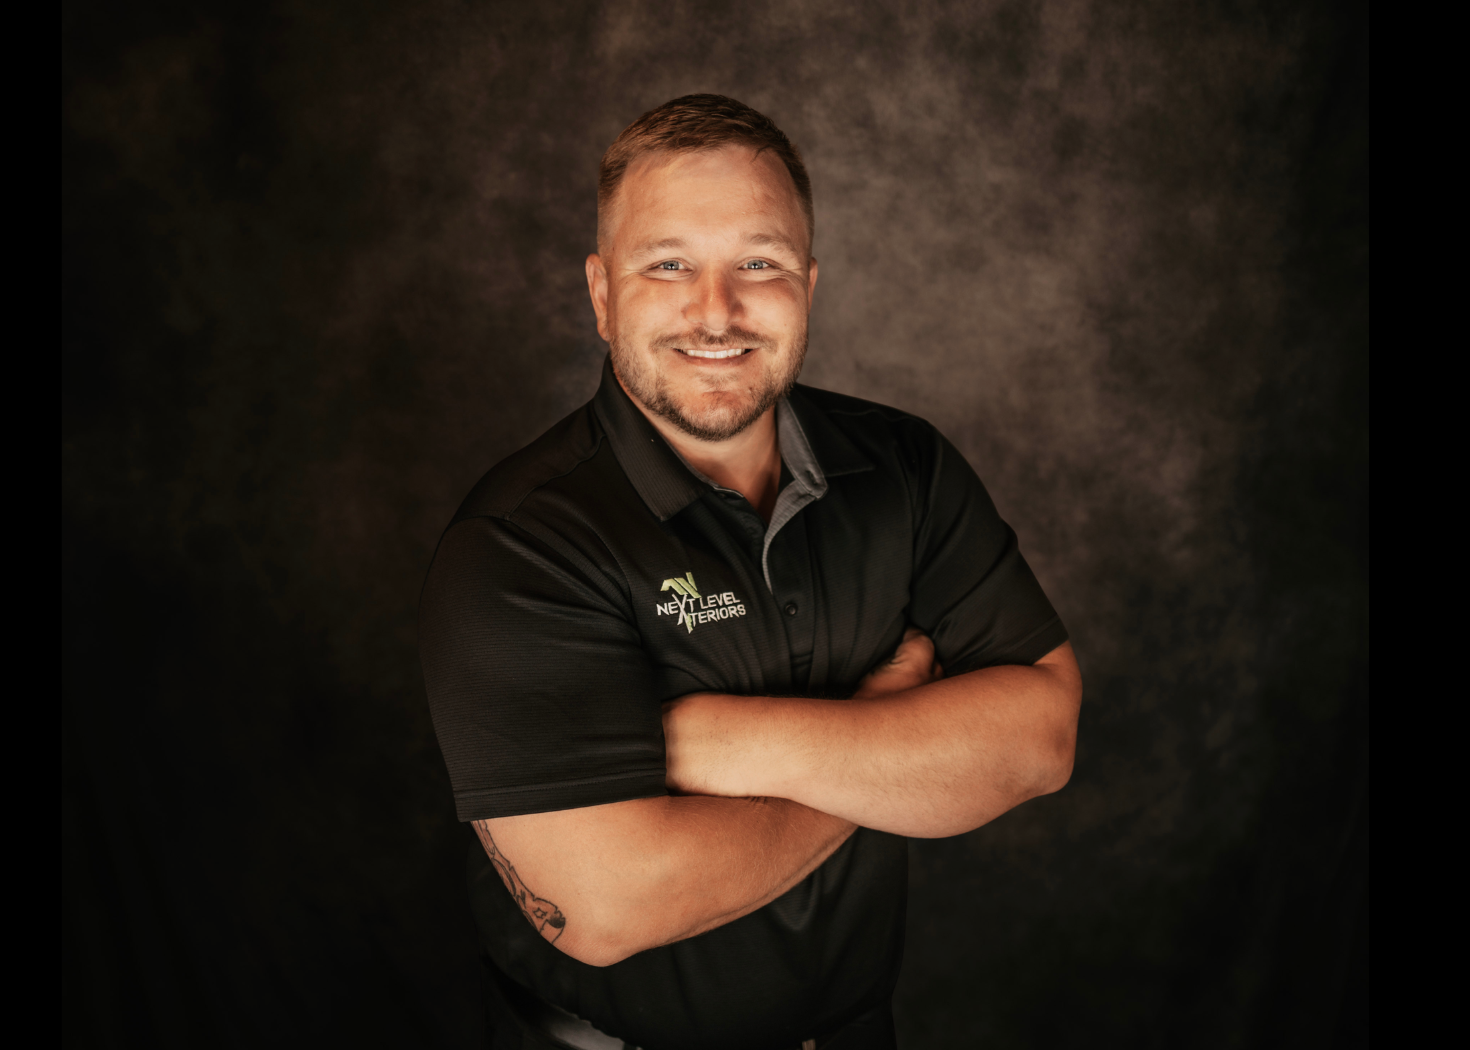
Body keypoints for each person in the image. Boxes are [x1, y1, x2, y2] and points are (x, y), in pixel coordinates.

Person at [420, 94, 1081, 1050]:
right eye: (669, 264)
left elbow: (1041, 740)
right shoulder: (519, 542)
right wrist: (886, 745)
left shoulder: (903, 467)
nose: (715, 310)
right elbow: (606, 909)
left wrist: (718, 743)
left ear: (808, 284)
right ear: (602, 295)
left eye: (759, 263)